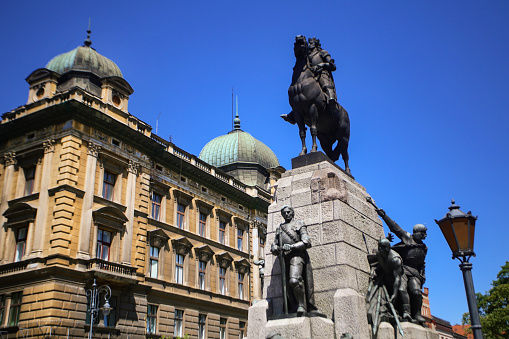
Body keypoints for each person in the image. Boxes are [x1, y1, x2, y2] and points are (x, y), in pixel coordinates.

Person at [374, 207, 428, 324]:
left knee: (416, 292)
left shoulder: (424, 248)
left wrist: (422, 274)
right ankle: (406, 312)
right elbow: (395, 227)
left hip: (415, 272)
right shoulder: (408, 238)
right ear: (416, 233)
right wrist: (384, 216)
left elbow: (422, 264)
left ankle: (417, 314)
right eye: (423, 233)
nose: (425, 236)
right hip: (403, 269)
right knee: (402, 289)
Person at [271, 206, 318, 315]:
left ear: (292, 213)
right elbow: (275, 243)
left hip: (296, 255)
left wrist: (292, 247)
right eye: (284, 213)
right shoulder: (280, 228)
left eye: (288, 212)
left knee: (294, 280)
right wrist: (274, 248)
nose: (286, 214)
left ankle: (302, 306)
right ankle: (293, 306)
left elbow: (306, 241)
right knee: (286, 286)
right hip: (283, 258)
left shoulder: (299, 224)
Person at [368, 237, 412, 322]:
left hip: (399, 277)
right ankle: (389, 310)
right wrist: (374, 271)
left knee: (401, 290)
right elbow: (382, 265)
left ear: (388, 247)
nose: (381, 249)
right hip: (388, 276)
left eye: (383, 247)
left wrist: (395, 294)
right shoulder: (379, 253)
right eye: (380, 246)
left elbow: (397, 278)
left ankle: (407, 312)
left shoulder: (395, 259)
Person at [308, 37, 338, 105]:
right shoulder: (308, 56)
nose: (310, 45)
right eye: (309, 43)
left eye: (311, 43)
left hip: (322, 73)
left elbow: (333, 66)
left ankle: (331, 98)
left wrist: (323, 64)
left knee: (324, 82)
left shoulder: (322, 52)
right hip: (312, 74)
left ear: (315, 44)